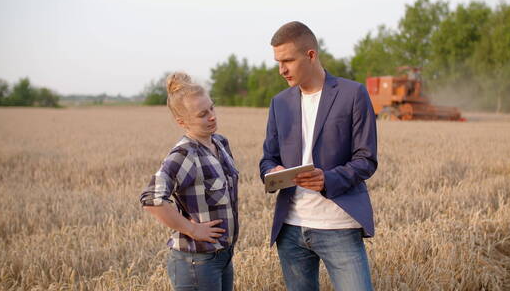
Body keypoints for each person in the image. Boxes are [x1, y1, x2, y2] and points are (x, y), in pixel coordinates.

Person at [259, 21, 378, 291]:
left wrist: (328, 179)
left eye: (288, 60)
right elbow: (267, 158)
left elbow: (366, 158)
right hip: (290, 228)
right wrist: (273, 171)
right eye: (278, 62)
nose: (282, 70)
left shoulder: (353, 93)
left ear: (311, 55)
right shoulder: (279, 103)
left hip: (339, 225)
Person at [140, 72, 239, 291]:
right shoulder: (184, 154)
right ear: (182, 121)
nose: (212, 116)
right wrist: (193, 230)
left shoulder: (220, 143)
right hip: (197, 262)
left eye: (211, 108)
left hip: (222, 257)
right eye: (203, 114)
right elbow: (151, 199)